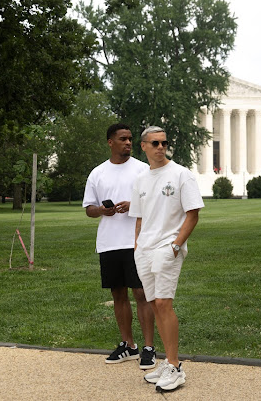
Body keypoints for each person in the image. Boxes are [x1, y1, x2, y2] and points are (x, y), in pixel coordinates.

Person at [129, 126, 204, 392]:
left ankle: (175, 366)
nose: (161, 147)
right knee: (155, 304)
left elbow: (192, 214)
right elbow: (139, 216)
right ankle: (166, 362)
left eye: (164, 142)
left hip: (168, 248)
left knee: (163, 302)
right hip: (145, 250)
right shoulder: (140, 179)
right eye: (155, 143)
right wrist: (138, 245)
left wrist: (175, 245)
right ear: (144, 146)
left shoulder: (181, 174)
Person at [83, 123, 156, 369]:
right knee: (118, 295)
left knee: (141, 294)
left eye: (130, 139)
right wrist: (103, 210)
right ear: (110, 142)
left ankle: (148, 348)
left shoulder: (143, 170)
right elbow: (89, 209)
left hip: (137, 241)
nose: (128, 143)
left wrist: (133, 204)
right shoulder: (97, 173)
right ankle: (128, 345)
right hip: (109, 242)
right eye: (123, 139)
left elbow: (155, 203)